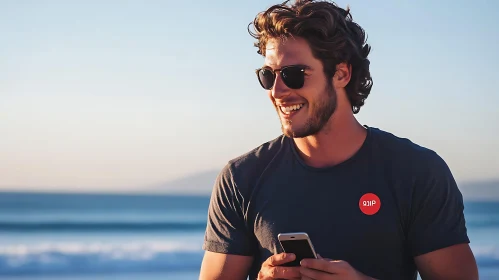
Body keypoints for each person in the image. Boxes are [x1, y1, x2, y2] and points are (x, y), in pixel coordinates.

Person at [199, 0, 478, 279]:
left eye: (293, 75)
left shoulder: (417, 171)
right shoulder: (240, 178)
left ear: (341, 74)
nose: (277, 91)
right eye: (268, 76)